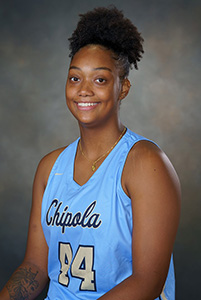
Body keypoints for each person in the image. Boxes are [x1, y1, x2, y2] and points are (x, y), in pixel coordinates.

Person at [0, 6, 181, 300]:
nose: (84, 90)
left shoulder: (146, 163)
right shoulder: (50, 167)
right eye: (75, 78)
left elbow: (147, 282)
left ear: (123, 88)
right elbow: (34, 267)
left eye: (100, 79)